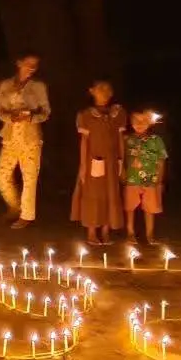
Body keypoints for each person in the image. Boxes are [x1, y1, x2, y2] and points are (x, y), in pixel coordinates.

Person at [0, 52, 51, 229]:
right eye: (28, 64)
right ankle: (15, 207)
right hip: (11, 134)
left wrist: (31, 117)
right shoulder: (6, 85)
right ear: (19, 63)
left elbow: (46, 111)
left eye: (35, 65)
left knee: (29, 177)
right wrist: (10, 117)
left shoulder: (38, 87)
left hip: (30, 136)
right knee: (1, 176)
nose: (32, 68)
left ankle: (26, 215)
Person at [71, 79, 126, 245]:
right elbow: (84, 141)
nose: (104, 94)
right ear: (92, 91)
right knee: (93, 194)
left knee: (110, 193)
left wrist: (121, 161)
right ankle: (92, 232)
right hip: (93, 159)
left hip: (112, 161)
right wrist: (83, 165)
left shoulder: (118, 113)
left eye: (107, 91)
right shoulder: (86, 115)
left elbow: (120, 138)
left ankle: (106, 230)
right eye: (100, 90)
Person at [123, 109, 169, 245]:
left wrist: (160, 180)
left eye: (143, 121)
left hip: (151, 181)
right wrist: (122, 172)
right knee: (130, 207)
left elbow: (161, 160)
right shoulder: (127, 139)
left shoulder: (156, 140)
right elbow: (121, 157)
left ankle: (150, 235)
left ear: (149, 123)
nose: (139, 124)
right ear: (131, 123)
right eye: (135, 121)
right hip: (132, 179)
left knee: (150, 208)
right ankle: (130, 233)